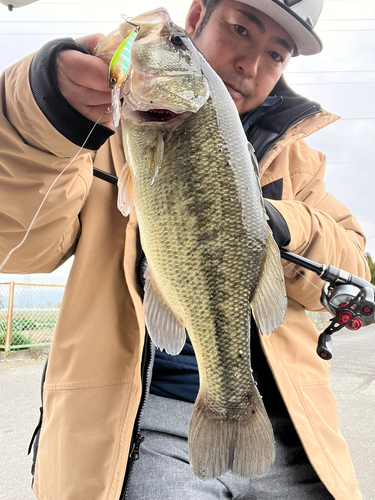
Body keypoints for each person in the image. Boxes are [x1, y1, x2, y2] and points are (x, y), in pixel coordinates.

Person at [0, 0, 369, 499]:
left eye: (277, 55)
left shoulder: (302, 165)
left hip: (289, 424)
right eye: (241, 28)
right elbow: (17, 248)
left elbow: (352, 268)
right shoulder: (99, 130)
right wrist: (41, 110)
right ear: (196, 18)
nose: (251, 64)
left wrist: (282, 225)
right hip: (137, 427)